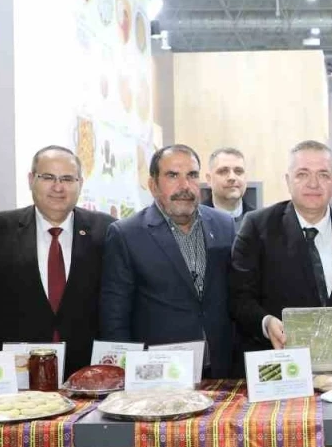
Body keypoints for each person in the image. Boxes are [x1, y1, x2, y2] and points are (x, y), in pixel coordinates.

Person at [0, 146, 115, 374]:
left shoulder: (107, 230)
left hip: (88, 374)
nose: (58, 187)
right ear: (31, 180)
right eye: (48, 177)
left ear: (80, 183)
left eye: (67, 179)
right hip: (15, 375)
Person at [231, 140, 332, 351]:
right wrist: (265, 322)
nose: (313, 184)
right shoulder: (257, 227)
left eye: (323, 175)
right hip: (283, 357)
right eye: (302, 174)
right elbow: (240, 297)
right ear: (288, 181)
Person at [98, 145, 237, 378]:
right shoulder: (126, 234)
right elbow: (114, 317)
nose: (185, 186)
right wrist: (123, 378)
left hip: (221, 370)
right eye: (173, 175)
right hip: (158, 376)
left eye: (192, 175)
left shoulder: (224, 224)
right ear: (153, 185)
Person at [206, 147, 253, 227]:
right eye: (223, 171)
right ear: (209, 179)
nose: (232, 177)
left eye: (238, 171)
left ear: (246, 178)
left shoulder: (262, 222)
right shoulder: (192, 222)